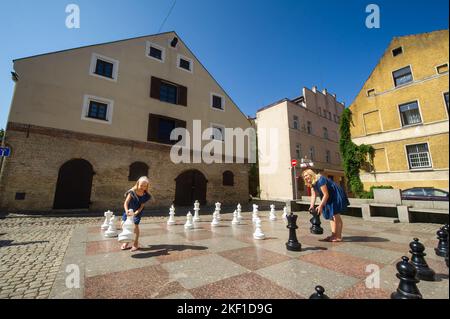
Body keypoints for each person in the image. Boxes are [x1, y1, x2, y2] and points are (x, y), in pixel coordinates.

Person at [302, 169, 349, 242]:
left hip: (335, 195)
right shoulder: (312, 183)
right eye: (304, 176)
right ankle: (334, 235)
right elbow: (313, 195)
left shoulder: (320, 179)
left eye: (306, 175)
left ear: (311, 174)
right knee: (331, 216)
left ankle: (338, 236)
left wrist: (320, 206)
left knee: (335, 215)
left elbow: (326, 194)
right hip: (328, 196)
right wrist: (311, 206)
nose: (305, 177)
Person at [121, 176, 152, 251]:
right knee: (123, 224)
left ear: (147, 186)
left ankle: (135, 243)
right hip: (128, 210)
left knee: (135, 226)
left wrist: (136, 213)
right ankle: (127, 240)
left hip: (137, 211)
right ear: (138, 183)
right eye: (141, 185)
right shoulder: (132, 192)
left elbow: (141, 206)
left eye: (145, 186)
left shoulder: (146, 195)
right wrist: (126, 211)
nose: (143, 187)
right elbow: (126, 202)